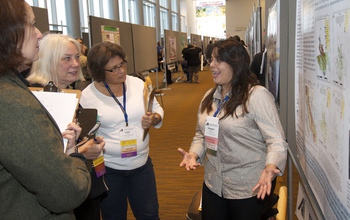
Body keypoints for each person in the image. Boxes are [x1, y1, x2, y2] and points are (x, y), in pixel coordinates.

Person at [0, 0, 105, 219]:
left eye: (76, 57)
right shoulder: (13, 101)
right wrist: (76, 157)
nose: (39, 34)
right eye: (31, 24)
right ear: (8, 32)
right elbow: (66, 191)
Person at [178, 39, 288, 220]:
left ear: (236, 64)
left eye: (218, 60)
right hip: (214, 184)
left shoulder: (256, 96)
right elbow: (201, 133)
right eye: (211, 59)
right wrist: (194, 154)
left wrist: (270, 166)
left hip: (247, 188)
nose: (211, 65)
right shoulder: (209, 97)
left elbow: (276, 140)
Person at [26, 33, 107, 220]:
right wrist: (81, 151)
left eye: (77, 57)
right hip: (62, 193)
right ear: (49, 61)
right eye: (67, 58)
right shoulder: (38, 98)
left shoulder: (68, 92)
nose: (76, 64)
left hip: (83, 183)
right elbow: (42, 157)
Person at [80, 41, 164, 220]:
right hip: (109, 168)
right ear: (99, 71)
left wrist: (154, 118)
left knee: (149, 215)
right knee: (113, 216)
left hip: (141, 165)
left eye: (122, 64)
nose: (122, 71)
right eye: (114, 69)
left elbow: (156, 108)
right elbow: (85, 134)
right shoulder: (87, 96)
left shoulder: (137, 84)